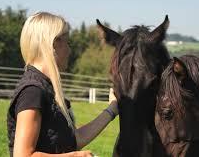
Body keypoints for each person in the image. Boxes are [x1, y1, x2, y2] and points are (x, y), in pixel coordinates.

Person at [7, 12, 118, 157]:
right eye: (67, 42)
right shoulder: (33, 91)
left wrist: (112, 109)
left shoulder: (46, 89)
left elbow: (72, 140)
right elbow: (23, 155)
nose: (69, 49)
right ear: (53, 44)